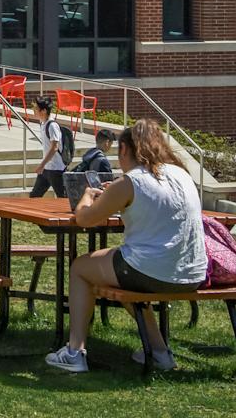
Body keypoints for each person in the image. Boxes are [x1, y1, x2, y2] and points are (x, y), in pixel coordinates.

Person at [45, 118, 207, 374]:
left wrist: (87, 197)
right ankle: (160, 352)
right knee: (129, 274)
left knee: (79, 268)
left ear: (124, 150)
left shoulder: (131, 181)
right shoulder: (182, 175)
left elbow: (85, 219)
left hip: (150, 271)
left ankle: (75, 351)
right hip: (193, 273)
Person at [29, 96, 67, 198]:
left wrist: (42, 165)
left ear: (44, 111)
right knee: (34, 196)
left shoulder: (52, 126)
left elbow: (54, 147)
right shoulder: (43, 124)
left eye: (36, 109)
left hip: (56, 169)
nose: (34, 111)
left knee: (63, 197)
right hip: (46, 169)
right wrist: (44, 166)